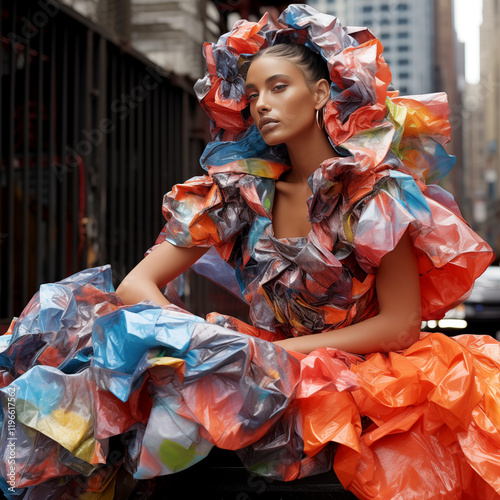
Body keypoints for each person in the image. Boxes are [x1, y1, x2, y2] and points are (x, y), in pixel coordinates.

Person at [0, 4, 498, 499]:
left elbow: (400, 323)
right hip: (266, 372)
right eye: (255, 93)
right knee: (94, 326)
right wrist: (203, 346)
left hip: (369, 377)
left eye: (279, 87)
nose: (261, 104)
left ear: (323, 92)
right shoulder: (240, 192)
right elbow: (136, 284)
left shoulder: (375, 193)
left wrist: (270, 355)